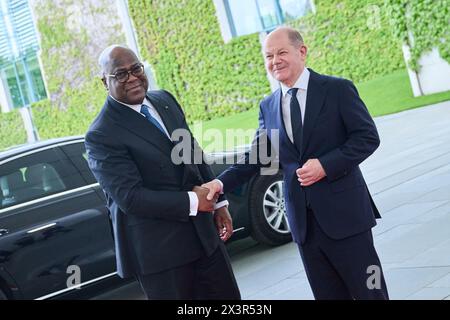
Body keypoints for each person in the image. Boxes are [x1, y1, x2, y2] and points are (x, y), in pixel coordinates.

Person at [202, 27, 389, 300]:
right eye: (268, 56)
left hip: (347, 218)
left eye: (281, 53)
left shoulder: (337, 90)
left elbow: (367, 137)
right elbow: (257, 157)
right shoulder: (268, 106)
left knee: (371, 292)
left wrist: (326, 165)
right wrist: (219, 183)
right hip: (304, 226)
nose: (274, 61)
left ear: (301, 52)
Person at [84, 45, 240, 300]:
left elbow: (192, 152)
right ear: (105, 82)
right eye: (121, 74)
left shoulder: (164, 100)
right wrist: (195, 201)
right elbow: (130, 198)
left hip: (205, 237)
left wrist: (219, 202)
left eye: (136, 69)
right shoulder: (101, 134)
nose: (132, 77)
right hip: (161, 255)